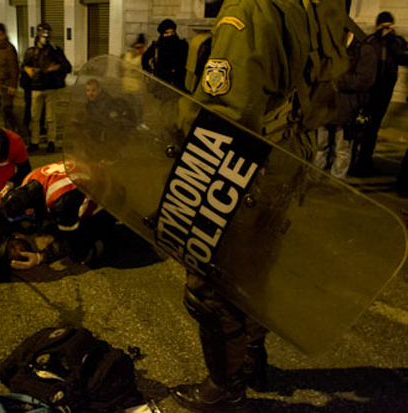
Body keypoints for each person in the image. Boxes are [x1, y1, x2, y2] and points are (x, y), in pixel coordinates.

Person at [171, 1, 350, 411]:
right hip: (290, 159)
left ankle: (224, 386)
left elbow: (226, 114)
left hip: (246, 163)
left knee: (209, 280)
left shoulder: (248, 10)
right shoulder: (311, 5)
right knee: (254, 269)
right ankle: (251, 361)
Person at [2, 161, 114, 266]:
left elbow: (70, 241)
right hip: (95, 172)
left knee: (79, 254)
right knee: (53, 226)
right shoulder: (29, 179)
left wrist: (41, 257)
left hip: (110, 193)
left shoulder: (61, 204)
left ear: (30, 211)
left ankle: (115, 236)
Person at [314, 31, 376, 180]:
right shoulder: (333, 47)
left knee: (342, 149)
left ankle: (336, 181)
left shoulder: (364, 50)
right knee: (320, 146)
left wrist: (335, 79)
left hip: (348, 109)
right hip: (326, 104)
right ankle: (313, 174)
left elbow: (364, 80)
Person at [353, 11, 408, 176]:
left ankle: (365, 161)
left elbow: (404, 59)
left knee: (373, 128)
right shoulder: (370, 41)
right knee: (360, 126)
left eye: (389, 26)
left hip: (385, 92)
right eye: (384, 26)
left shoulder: (397, 42)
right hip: (368, 91)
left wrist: (392, 43)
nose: (387, 30)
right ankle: (352, 160)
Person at [22, 23, 72, 153]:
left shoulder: (55, 51)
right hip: (35, 88)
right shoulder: (31, 51)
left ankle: (51, 141)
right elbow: (24, 66)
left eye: (47, 35)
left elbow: (67, 66)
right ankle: (34, 142)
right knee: (35, 117)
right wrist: (27, 69)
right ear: (38, 35)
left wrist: (56, 67)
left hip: (50, 88)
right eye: (43, 34)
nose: (45, 37)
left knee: (50, 117)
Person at [0, 23, 28, 141]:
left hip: (8, 85)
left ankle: (20, 132)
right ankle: (11, 133)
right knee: (6, 111)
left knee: (7, 109)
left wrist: (13, 85)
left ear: (4, 35)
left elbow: (14, 68)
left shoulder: (9, 49)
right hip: (2, 85)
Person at [142, 19, 189, 92]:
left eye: (172, 32)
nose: (170, 35)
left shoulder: (182, 45)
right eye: (167, 33)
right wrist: (149, 71)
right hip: (161, 83)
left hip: (178, 84)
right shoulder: (157, 46)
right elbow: (145, 58)